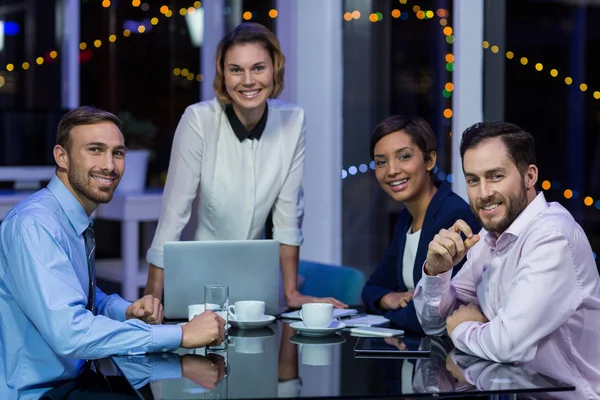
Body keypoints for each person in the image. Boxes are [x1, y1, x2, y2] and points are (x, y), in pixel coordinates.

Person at [0, 107, 226, 395]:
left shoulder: (70, 217)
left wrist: (125, 310)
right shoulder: (35, 225)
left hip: (74, 378)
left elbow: (79, 297)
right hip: (40, 391)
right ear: (62, 156)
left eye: (117, 153)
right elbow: (70, 332)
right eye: (95, 150)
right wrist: (180, 335)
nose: (109, 165)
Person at [143, 22, 345, 309]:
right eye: (236, 69)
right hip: (197, 280)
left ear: (274, 70)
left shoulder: (292, 120)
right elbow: (174, 214)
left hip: (255, 281)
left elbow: (288, 213)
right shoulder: (199, 120)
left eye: (258, 68)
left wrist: (291, 293)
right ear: (223, 75)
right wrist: (151, 299)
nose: (248, 80)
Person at [414, 122, 600, 385]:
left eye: (495, 176)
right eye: (473, 180)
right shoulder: (486, 240)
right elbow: (433, 324)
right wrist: (437, 272)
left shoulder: (552, 236)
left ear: (530, 176)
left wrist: (461, 329)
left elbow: (506, 344)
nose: (484, 193)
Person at [361, 116, 480, 332]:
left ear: (429, 160)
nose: (391, 170)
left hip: (448, 356)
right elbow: (371, 289)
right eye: (381, 161)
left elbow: (438, 313)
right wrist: (388, 298)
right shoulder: (406, 219)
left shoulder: (454, 217)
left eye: (404, 156)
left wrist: (391, 314)